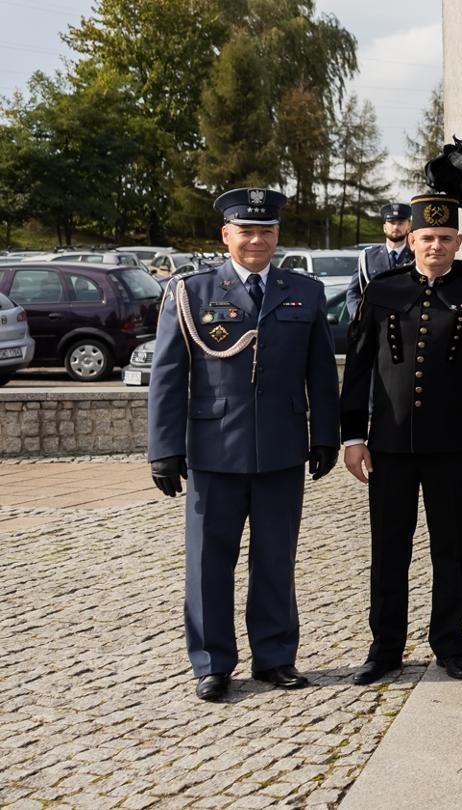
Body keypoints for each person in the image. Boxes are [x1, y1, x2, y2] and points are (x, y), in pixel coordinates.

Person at [146, 187, 339, 701]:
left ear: (277, 236)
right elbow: (168, 376)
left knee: (276, 558)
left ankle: (275, 658)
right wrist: (164, 449)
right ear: (226, 235)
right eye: (247, 230)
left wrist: (324, 436)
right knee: (210, 562)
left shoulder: (305, 291)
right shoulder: (192, 292)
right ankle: (212, 663)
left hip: (280, 450)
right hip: (213, 450)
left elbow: (321, 372)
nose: (257, 239)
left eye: (266, 231)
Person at [339, 144, 462, 685]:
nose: (436, 246)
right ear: (410, 241)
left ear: (458, 241)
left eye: (445, 238)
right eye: (426, 238)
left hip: (452, 446)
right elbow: (358, 369)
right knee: (388, 552)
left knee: (450, 552)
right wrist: (352, 437)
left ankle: (449, 645)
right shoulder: (382, 293)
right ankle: (385, 648)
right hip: (388, 446)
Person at [347, 203, 415, 318]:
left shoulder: (416, 258)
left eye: (400, 223)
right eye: (392, 223)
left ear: (408, 227)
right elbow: (354, 291)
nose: (395, 227)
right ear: (384, 227)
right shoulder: (368, 256)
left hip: (406, 325)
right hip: (375, 324)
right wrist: (358, 315)